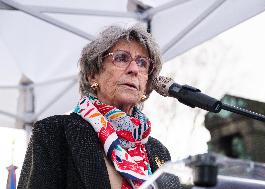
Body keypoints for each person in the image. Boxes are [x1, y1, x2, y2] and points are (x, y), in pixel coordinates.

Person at [18, 24, 171, 189]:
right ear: (92, 75)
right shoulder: (54, 132)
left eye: (142, 63)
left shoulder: (159, 152)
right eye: (121, 58)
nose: (134, 69)